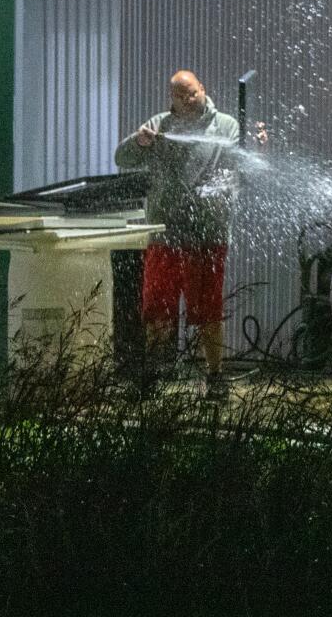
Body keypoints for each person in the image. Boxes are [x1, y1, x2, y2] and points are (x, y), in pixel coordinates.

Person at [114, 70, 266, 396]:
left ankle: (215, 377)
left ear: (203, 89)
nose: (187, 100)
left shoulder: (226, 126)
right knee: (157, 307)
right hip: (165, 234)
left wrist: (255, 147)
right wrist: (138, 142)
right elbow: (122, 158)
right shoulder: (159, 125)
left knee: (207, 309)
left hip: (207, 234)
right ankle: (152, 375)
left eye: (192, 93)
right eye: (180, 96)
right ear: (172, 98)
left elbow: (245, 167)